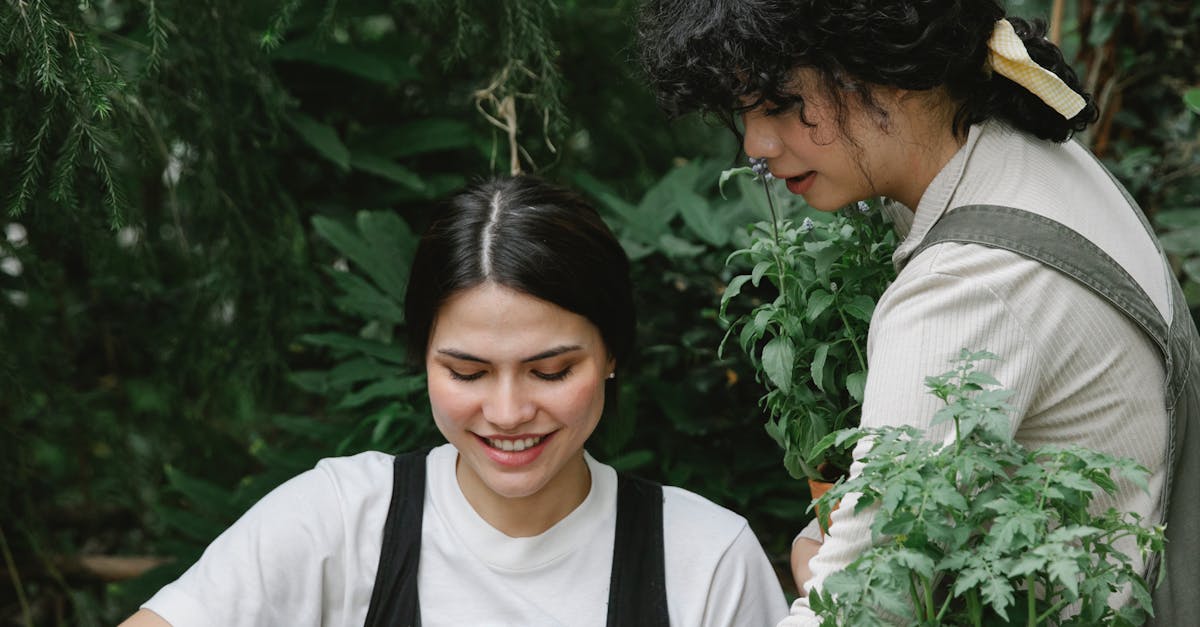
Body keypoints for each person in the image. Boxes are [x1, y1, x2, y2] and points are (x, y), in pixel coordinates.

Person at [637, 1, 1199, 625]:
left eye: (780, 104)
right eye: (744, 110)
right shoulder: (1027, 150)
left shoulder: (966, 285)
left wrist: (827, 564)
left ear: (889, 66)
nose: (756, 146)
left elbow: (862, 603)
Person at [119, 176, 789, 627]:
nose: (506, 411)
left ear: (612, 353)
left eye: (550, 370)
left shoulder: (706, 560)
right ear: (422, 358)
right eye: (466, 372)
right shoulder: (342, 522)